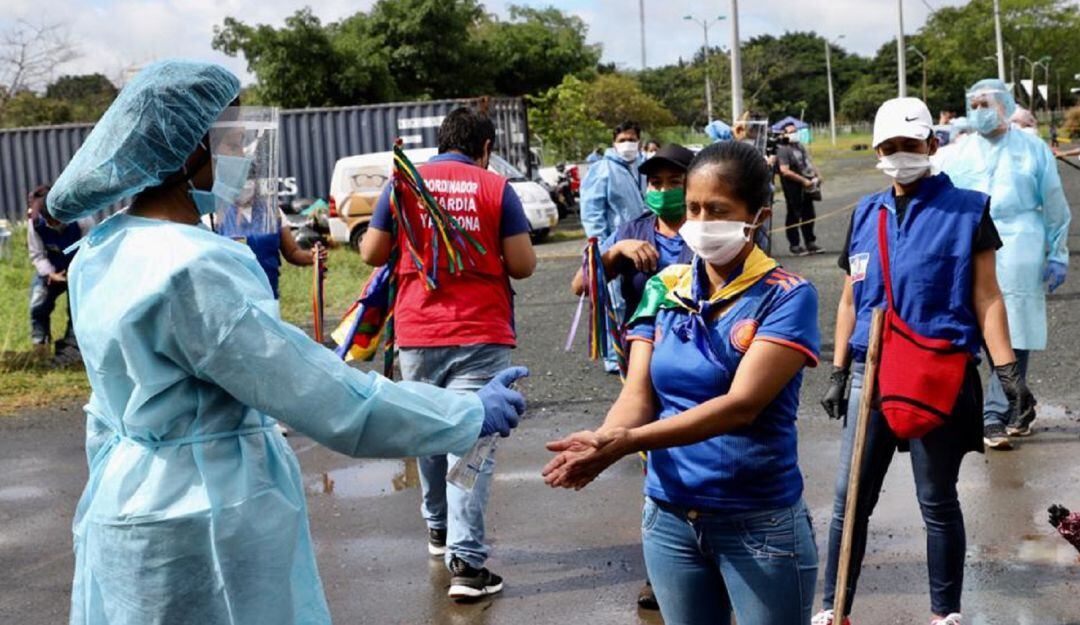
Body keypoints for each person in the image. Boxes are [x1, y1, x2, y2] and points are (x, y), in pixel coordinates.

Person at [45, 59, 529, 625]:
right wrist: (466, 413)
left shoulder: (101, 250)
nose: (244, 156)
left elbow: (105, 409)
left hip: (125, 501)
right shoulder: (192, 268)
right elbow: (325, 397)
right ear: (188, 151)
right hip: (206, 517)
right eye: (231, 141)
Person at [545, 140, 822, 625]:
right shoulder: (664, 286)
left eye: (718, 210)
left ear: (758, 216)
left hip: (758, 522)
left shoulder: (787, 296)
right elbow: (638, 393)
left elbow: (742, 406)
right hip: (669, 518)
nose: (700, 220)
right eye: (693, 208)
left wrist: (627, 443)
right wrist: (602, 440)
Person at [815, 97, 1034, 625]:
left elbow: (987, 295)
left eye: (909, 145)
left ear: (932, 145)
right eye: (888, 147)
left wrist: (1007, 372)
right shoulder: (865, 214)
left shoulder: (968, 211)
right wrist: (839, 369)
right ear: (876, 152)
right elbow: (849, 300)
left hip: (936, 371)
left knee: (936, 499)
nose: (899, 155)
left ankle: (945, 614)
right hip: (871, 372)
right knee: (850, 501)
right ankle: (833, 609)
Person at [361, 107, 536, 601]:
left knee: (428, 430)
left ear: (441, 142)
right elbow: (522, 264)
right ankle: (468, 564)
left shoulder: (403, 183)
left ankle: (438, 529)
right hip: (481, 333)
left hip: (418, 330)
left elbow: (372, 253)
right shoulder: (496, 187)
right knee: (471, 440)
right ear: (486, 148)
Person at [569, 142, 695, 611]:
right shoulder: (635, 229)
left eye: (674, 182)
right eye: (655, 182)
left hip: (698, 365)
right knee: (654, 462)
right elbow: (581, 285)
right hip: (641, 365)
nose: (663, 190)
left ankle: (711, 558)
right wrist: (615, 250)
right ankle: (662, 571)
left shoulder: (708, 228)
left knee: (698, 452)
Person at [940, 79, 1070, 448]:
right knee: (974, 326)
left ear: (1005, 105)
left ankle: (996, 413)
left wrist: (1057, 252)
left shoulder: (1032, 148)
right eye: (974, 105)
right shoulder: (959, 152)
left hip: (1020, 242)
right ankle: (1013, 405)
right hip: (970, 242)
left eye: (986, 104)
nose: (979, 111)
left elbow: (1054, 202)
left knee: (1015, 328)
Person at [579, 120, 647, 372]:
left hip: (642, 244)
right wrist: (601, 249)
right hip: (615, 246)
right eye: (622, 140)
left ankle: (635, 352)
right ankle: (614, 357)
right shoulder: (603, 169)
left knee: (636, 299)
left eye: (632, 139)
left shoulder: (642, 167)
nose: (627, 144)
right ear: (613, 143)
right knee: (614, 302)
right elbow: (592, 212)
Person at [213, 181, 327, 300]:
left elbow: (292, 253)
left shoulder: (273, 211)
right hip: (234, 299)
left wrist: (313, 256)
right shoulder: (216, 215)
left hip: (268, 295)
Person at [25, 184, 92, 360]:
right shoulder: (35, 223)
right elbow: (37, 254)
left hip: (79, 271)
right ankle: (41, 348)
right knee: (38, 304)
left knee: (76, 310)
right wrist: (50, 274)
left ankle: (72, 351)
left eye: (55, 220)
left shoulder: (83, 220)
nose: (51, 224)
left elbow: (92, 249)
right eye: (47, 220)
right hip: (52, 271)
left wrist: (76, 272)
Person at [777, 121, 822, 256]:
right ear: (784, 134)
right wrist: (803, 180)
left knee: (809, 214)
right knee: (794, 214)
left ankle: (810, 242)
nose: (794, 134)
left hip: (807, 184)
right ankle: (795, 245)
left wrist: (818, 175)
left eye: (795, 131)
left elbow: (809, 162)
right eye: (791, 132)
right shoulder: (783, 149)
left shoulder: (799, 146)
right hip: (793, 186)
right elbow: (784, 170)